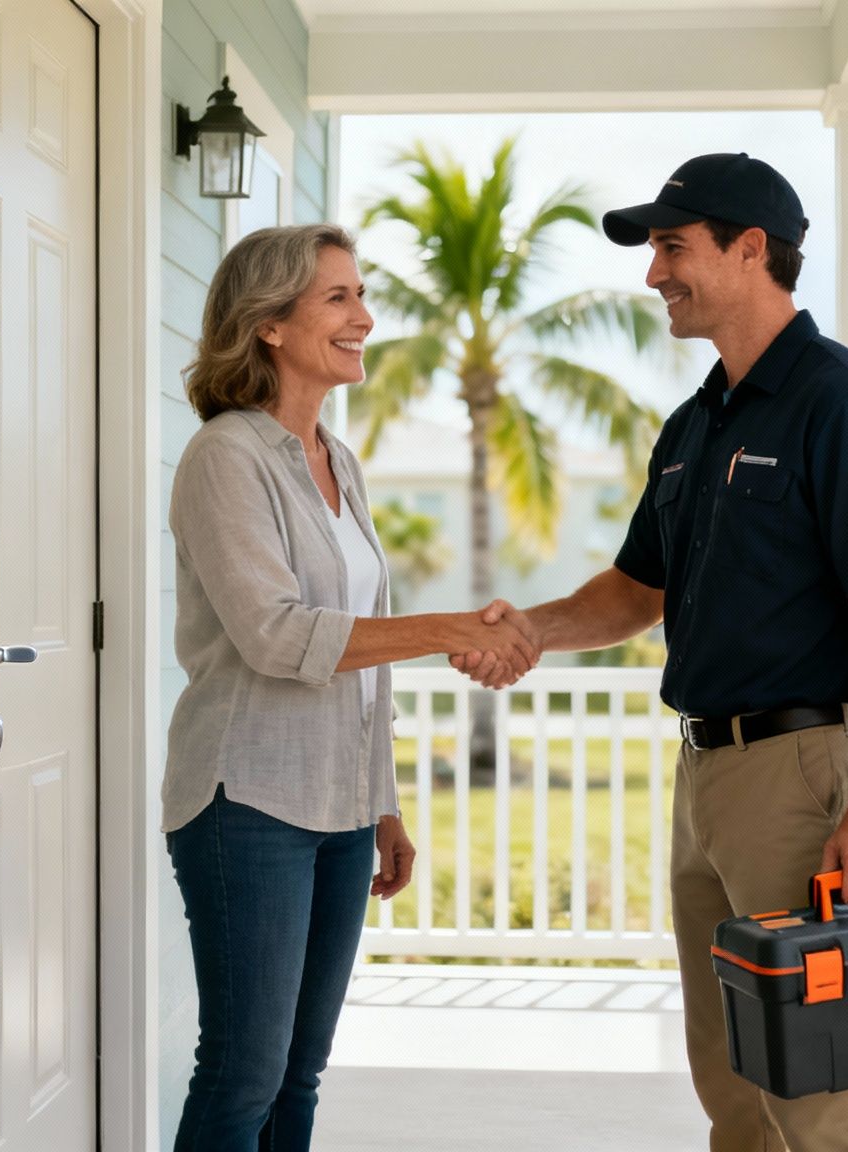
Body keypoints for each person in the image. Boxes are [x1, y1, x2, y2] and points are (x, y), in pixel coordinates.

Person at [457, 154, 848, 1152]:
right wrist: (530, 630)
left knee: (822, 1094)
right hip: (703, 776)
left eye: (673, 246)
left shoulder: (842, 404)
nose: (651, 273)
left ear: (750, 248)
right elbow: (637, 589)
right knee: (732, 1085)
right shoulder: (693, 425)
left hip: (799, 777)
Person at [164, 222, 539, 1151]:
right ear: (269, 325)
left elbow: (361, 671)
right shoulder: (226, 457)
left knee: (299, 1073)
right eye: (339, 298)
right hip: (245, 798)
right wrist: (450, 629)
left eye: (359, 296)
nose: (364, 317)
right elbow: (278, 635)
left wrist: (384, 804)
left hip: (337, 812)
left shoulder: (341, 462)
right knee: (242, 1073)